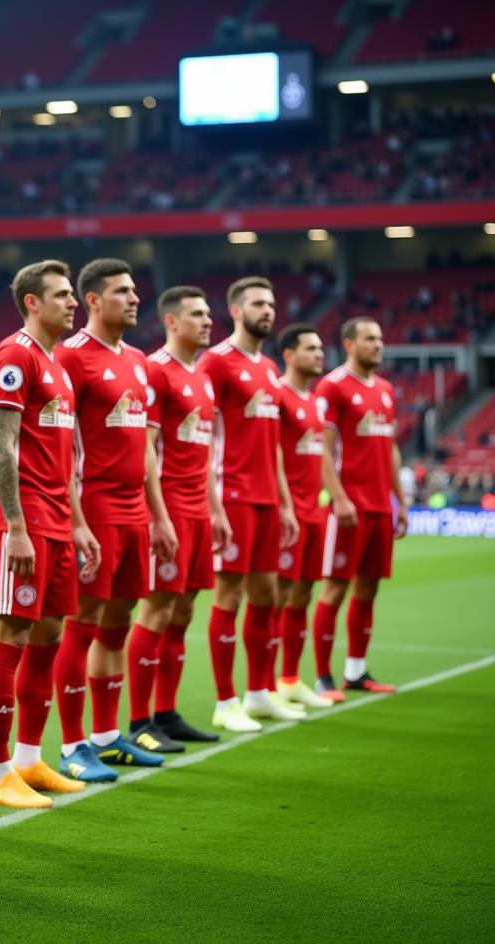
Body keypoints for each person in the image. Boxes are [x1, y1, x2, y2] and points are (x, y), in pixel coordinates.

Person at [0, 259, 101, 809]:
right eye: (61, 295)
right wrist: (18, 527)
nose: (73, 302)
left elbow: (64, 458)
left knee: (48, 639)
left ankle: (30, 758)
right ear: (32, 302)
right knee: (10, 641)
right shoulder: (15, 355)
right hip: (21, 525)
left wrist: (77, 523)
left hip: (57, 522)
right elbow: (3, 446)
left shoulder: (58, 364)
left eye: (73, 294)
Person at [53, 258, 165, 781]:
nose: (135, 298)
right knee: (82, 627)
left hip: (135, 510)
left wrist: (158, 515)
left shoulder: (139, 360)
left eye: (135, 289)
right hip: (94, 505)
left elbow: (144, 448)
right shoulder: (71, 356)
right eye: (123, 291)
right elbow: (58, 441)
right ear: (93, 300)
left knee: (117, 626)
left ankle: (105, 735)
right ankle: (72, 745)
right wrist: (75, 516)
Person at [198, 276, 303, 732]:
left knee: (267, 595)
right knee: (230, 595)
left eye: (272, 303)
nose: (269, 310)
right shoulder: (217, 362)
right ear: (237, 311)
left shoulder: (270, 369)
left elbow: (276, 445)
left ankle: (260, 693)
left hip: (265, 499)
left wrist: (285, 503)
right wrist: (213, 502)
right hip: (232, 495)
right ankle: (226, 699)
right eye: (259, 303)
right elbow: (200, 434)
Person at [128, 286, 223, 749]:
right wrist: (158, 514)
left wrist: (215, 508)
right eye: (198, 314)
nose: (208, 321)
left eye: (208, 314)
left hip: (198, 509)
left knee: (182, 611)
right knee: (157, 607)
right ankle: (139, 722)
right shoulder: (155, 371)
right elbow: (145, 447)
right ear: (171, 321)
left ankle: (166, 712)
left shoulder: (202, 377)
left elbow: (203, 454)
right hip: (166, 508)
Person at [313, 317, 408, 698]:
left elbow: (392, 450)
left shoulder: (385, 390)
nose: (378, 345)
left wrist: (400, 500)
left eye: (380, 339)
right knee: (334, 589)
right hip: (347, 507)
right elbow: (321, 445)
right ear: (349, 344)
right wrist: (338, 497)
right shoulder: (333, 386)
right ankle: (323, 677)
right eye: (370, 339)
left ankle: (356, 671)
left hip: (379, 508)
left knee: (368, 589)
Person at [274, 324, 333, 709]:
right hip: (289, 511)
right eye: (311, 348)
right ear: (290, 355)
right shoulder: (277, 396)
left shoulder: (313, 402)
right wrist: (285, 505)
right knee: (275, 598)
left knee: (302, 595)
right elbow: (272, 452)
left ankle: (291, 677)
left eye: (320, 348)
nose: (319, 354)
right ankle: (263, 685)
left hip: (315, 509)